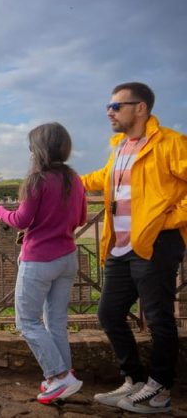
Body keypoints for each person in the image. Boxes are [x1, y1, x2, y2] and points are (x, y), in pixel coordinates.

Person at [82, 82, 186, 414]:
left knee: (158, 319)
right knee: (109, 314)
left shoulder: (171, 143)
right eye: (108, 107)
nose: (109, 112)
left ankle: (159, 390)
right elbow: (103, 178)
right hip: (119, 247)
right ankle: (135, 381)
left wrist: (168, 220)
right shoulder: (121, 147)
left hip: (156, 242)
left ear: (140, 108)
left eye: (116, 106)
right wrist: (65, 179)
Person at [0, 122, 86, 405]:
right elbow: (81, 219)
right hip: (67, 257)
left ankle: (59, 377)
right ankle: (62, 376)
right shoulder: (74, 178)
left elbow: (21, 220)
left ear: (39, 150)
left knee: (27, 322)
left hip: (39, 260)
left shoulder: (37, 181)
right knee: (56, 321)